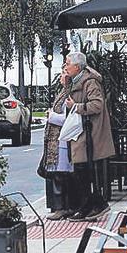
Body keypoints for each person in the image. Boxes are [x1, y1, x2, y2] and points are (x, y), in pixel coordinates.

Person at [64, 51, 115, 220]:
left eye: (67, 63)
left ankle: (94, 204)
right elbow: (67, 101)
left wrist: (77, 107)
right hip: (81, 133)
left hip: (90, 133)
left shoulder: (90, 82)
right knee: (81, 170)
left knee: (84, 170)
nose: (65, 66)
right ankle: (88, 205)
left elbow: (97, 105)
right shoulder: (76, 81)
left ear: (77, 67)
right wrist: (65, 85)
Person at [42, 70, 79, 220]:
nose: (61, 76)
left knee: (61, 176)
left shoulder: (69, 94)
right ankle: (63, 207)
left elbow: (68, 118)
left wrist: (51, 116)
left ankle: (63, 208)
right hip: (57, 141)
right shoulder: (63, 92)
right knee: (59, 175)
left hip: (62, 140)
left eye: (64, 73)